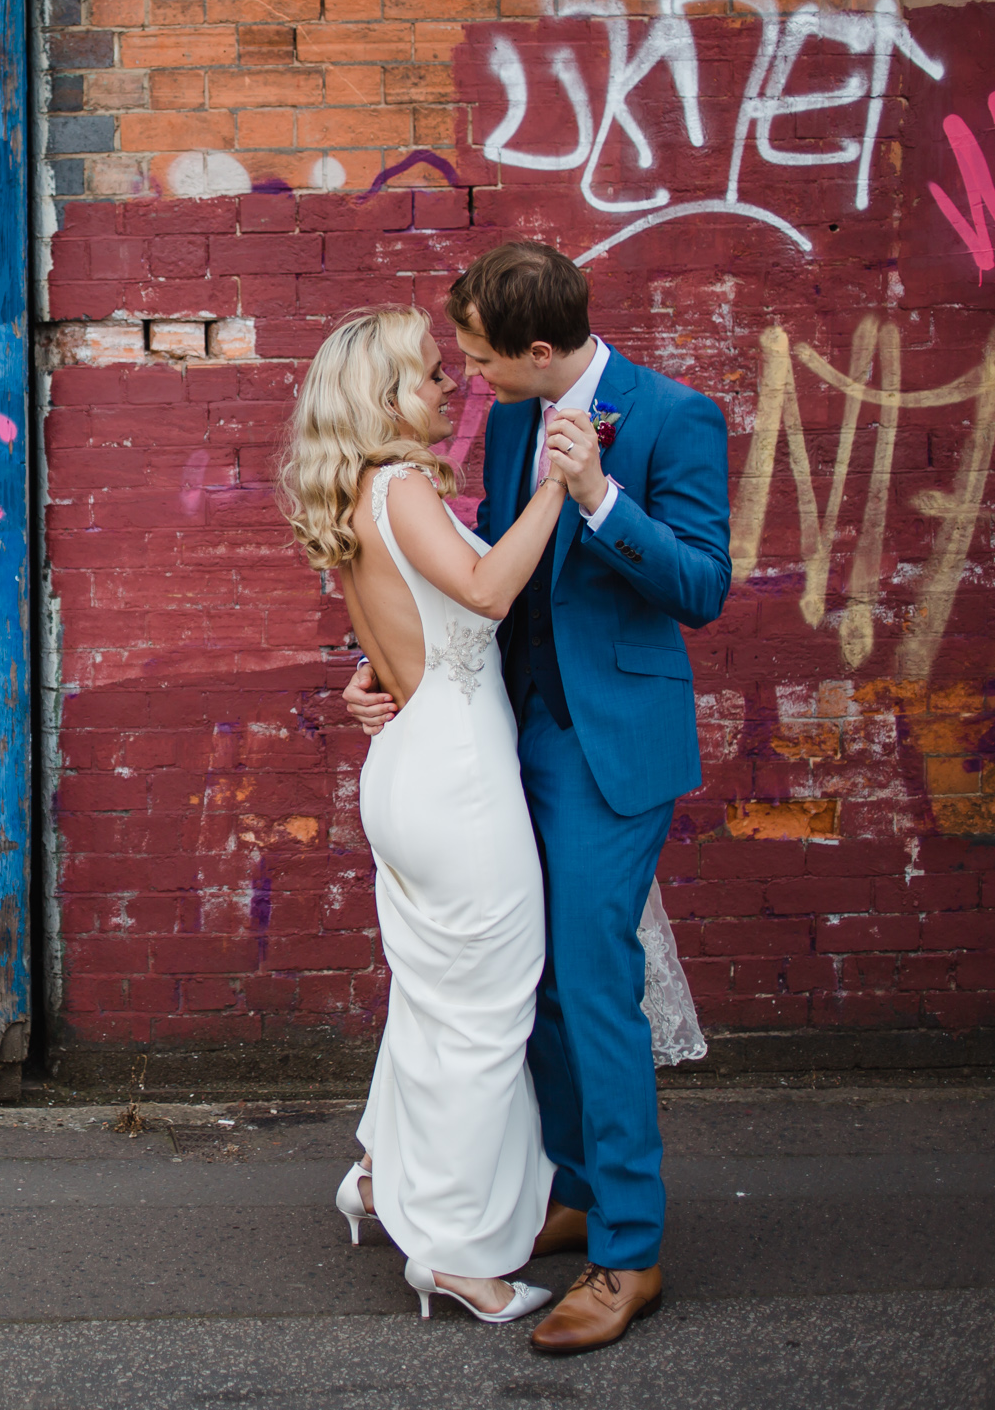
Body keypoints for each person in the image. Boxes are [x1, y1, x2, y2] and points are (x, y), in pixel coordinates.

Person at [343, 242, 732, 1354]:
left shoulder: (672, 416)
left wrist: (601, 496)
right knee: (540, 982)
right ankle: (573, 1182)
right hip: (510, 735)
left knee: (593, 983)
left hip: (612, 749)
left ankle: (630, 1252)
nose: (467, 377)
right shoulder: (515, 415)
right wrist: (385, 664)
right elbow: (471, 572)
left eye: (479, 357)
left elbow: (702, 585)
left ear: (542, 352)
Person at [277, 304, 586, 1327]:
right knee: (487, 1015)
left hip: (410, 767)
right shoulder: (401, 487)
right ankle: (455, 1250)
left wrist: (373, 677)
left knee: (433, 997)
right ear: (380, 400)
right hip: (457, 780)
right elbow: (488, 593)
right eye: (424, 377)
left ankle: (378, 1173)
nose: (447, 387)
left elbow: (412, 623)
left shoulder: (359, 495)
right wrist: (559, 482)